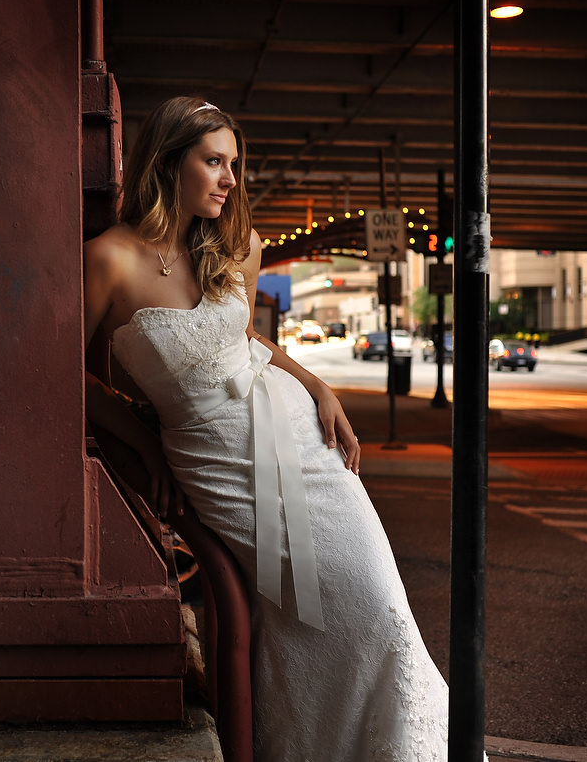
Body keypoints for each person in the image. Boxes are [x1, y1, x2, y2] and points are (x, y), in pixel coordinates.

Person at [84, 96, 450, 761]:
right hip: (217, 461)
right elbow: (62, 376)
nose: (229, 180)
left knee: (378, 602)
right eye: (214, 162)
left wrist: (317, 384)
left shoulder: (233, 245)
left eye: (234, 164)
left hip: (305, 446)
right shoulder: (108, 259)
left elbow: (245, 339)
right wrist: (143, 442)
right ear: (168, 162)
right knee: (315, 610)